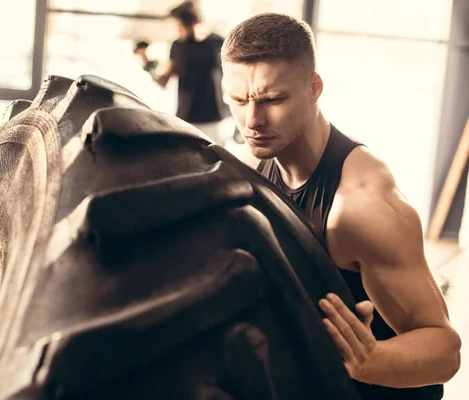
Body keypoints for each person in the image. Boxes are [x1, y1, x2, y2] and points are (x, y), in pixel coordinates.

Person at [221, 13, 461, 399]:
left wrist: (369, 361)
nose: (252, 120)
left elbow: (445, 350)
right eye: (238, 100)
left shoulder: (361, 206)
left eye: (274, 99)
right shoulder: (251, 164)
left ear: (314, 88)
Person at [135, 1, 232, 145]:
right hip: (187, 119)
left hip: (215, 119)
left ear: (190, 22)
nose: (178, 30)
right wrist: (145, 60)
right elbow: (163, 81)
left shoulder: (218, 43)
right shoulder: (178, 46)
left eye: (178, 25)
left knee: (218, 162)